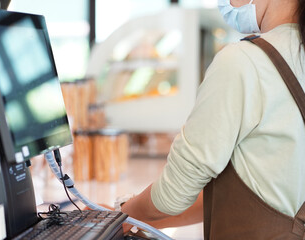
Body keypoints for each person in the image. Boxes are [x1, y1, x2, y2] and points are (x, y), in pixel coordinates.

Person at [117, 0, 305, 238]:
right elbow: (252, 194)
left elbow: (173, 193)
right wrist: (137, 220)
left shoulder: (244, 62)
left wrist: (118, 215)